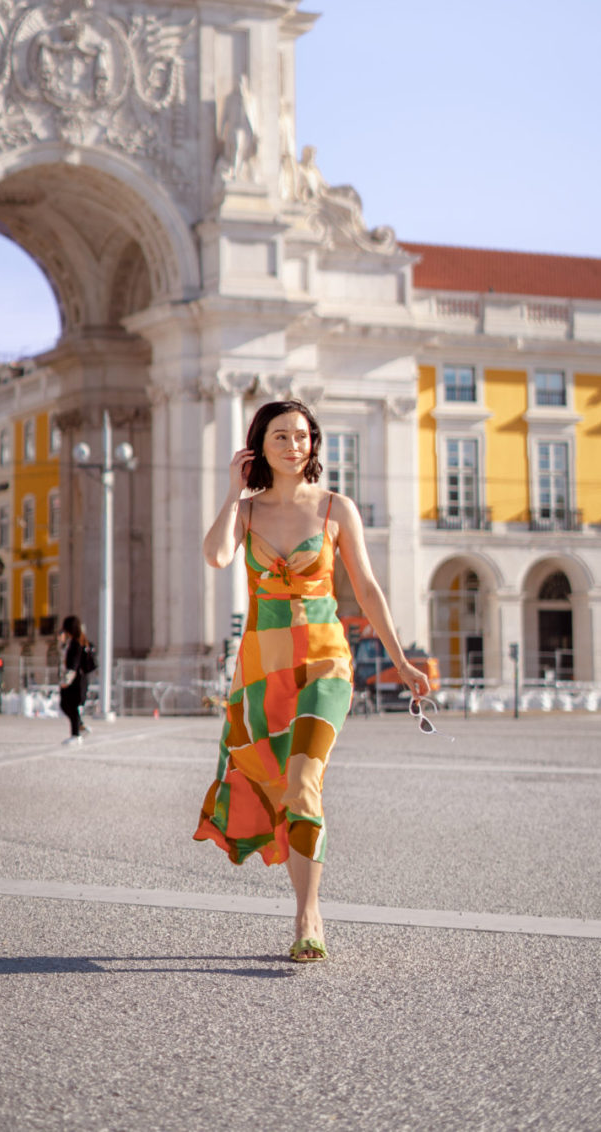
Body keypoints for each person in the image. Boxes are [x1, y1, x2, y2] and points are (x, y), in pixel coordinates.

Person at [195, 398, 429, 963]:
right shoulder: (246, 514)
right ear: (260, 445)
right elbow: (217, 556)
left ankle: (308, 915)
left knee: (304, 780)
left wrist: (399, 661)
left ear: (313, 444)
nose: (294, 445)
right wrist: (233, 490)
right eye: (281, 436)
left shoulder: (335, 509)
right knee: (284, 786)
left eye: (302, 436)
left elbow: (367, 589)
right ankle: (303, 903)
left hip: (326, 662)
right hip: (261, 671)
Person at [58, 615, 94, 747]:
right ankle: (80, 728)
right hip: (81, 680)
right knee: (70, 707)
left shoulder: (75, 644)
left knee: (69, 706)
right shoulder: (82, 642)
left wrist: (65, 682)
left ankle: (76, 734)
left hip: (74, 681)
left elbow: (72, 664)